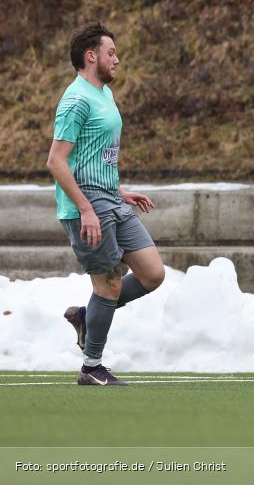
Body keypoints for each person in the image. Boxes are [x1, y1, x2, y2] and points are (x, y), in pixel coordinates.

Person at [47, 22, 166, 386]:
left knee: (152, 273)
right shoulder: (76, 101)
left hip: (111, 198)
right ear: (91, 56)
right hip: (86, 205)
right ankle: (91, 366)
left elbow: (96, 156)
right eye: (110, 52)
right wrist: (85, 208)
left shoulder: (104, 95)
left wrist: (120, 191)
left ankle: (90, 314)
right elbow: (56, 161)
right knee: (109, 285)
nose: (117, 58)